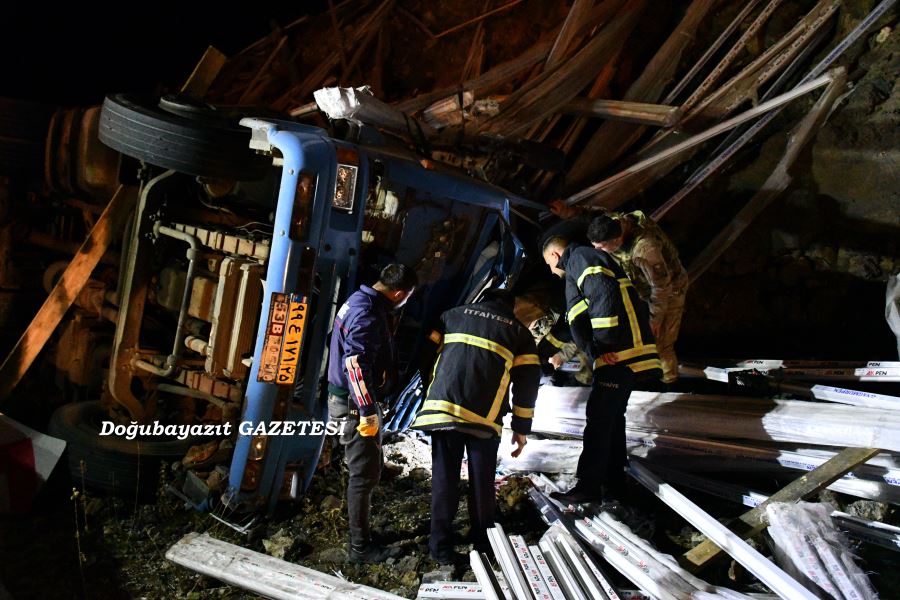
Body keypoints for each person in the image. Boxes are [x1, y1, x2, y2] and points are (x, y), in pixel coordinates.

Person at [412, 289, 540, 565]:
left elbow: (424, 353)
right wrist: (521, 428)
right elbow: (527, 384)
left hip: (443, 410)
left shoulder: (451, 316)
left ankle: (440, 548)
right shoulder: (519, 333)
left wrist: (431, 391)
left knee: (444, 480)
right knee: (482, 484)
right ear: (511, 307)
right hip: (484, 419)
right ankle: (483, 543)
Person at [541, 236, 661, 504]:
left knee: (598, 419)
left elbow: (603, 297)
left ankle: (588, 487)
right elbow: (574, 320)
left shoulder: (582, 259)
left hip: (618, 355)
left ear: (555, 255)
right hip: (623, 354)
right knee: (612, 420)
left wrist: (601, 348)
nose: (550, 271)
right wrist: (543, 351)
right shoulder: (580, 265)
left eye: (548, 263)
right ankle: (615, 483)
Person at [326, 263, 417, 563]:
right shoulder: (366, 312)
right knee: (363, 476)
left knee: (367, 470)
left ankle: (361, 537)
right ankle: (360, 549)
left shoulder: (360, 300)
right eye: (407, 298)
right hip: (354, 407)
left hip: (352, 402)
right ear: (400, 293)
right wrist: (366, 410)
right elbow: (354, 363)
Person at [588, 211, 688, 385]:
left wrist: (655, 319)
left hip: (670, 290)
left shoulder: (645, 251)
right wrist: (568, 211)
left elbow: (662, 287)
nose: (596, 251)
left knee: (661, 342)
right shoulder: (611, 222)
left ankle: (670, 382)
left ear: (617, 241)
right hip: (643, 288)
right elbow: (588, 212)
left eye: (601, 247)